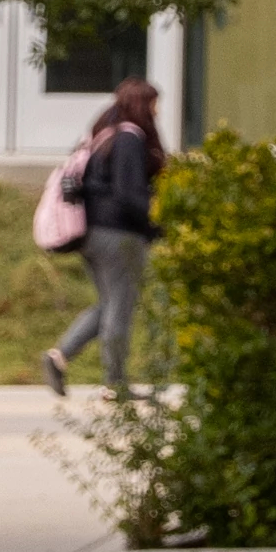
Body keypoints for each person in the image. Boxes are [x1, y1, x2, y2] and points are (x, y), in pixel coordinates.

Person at [45, 75, 170, 398]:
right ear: (142, 105)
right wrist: (158, 226)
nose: (157, 112)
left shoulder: (102, 136)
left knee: (109, 304)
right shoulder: (129, 139)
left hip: (90, 232)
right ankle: (114, 385)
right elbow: (130, 196)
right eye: (154, 104)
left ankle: (59, 357)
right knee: (121, 308)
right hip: (118, 235)